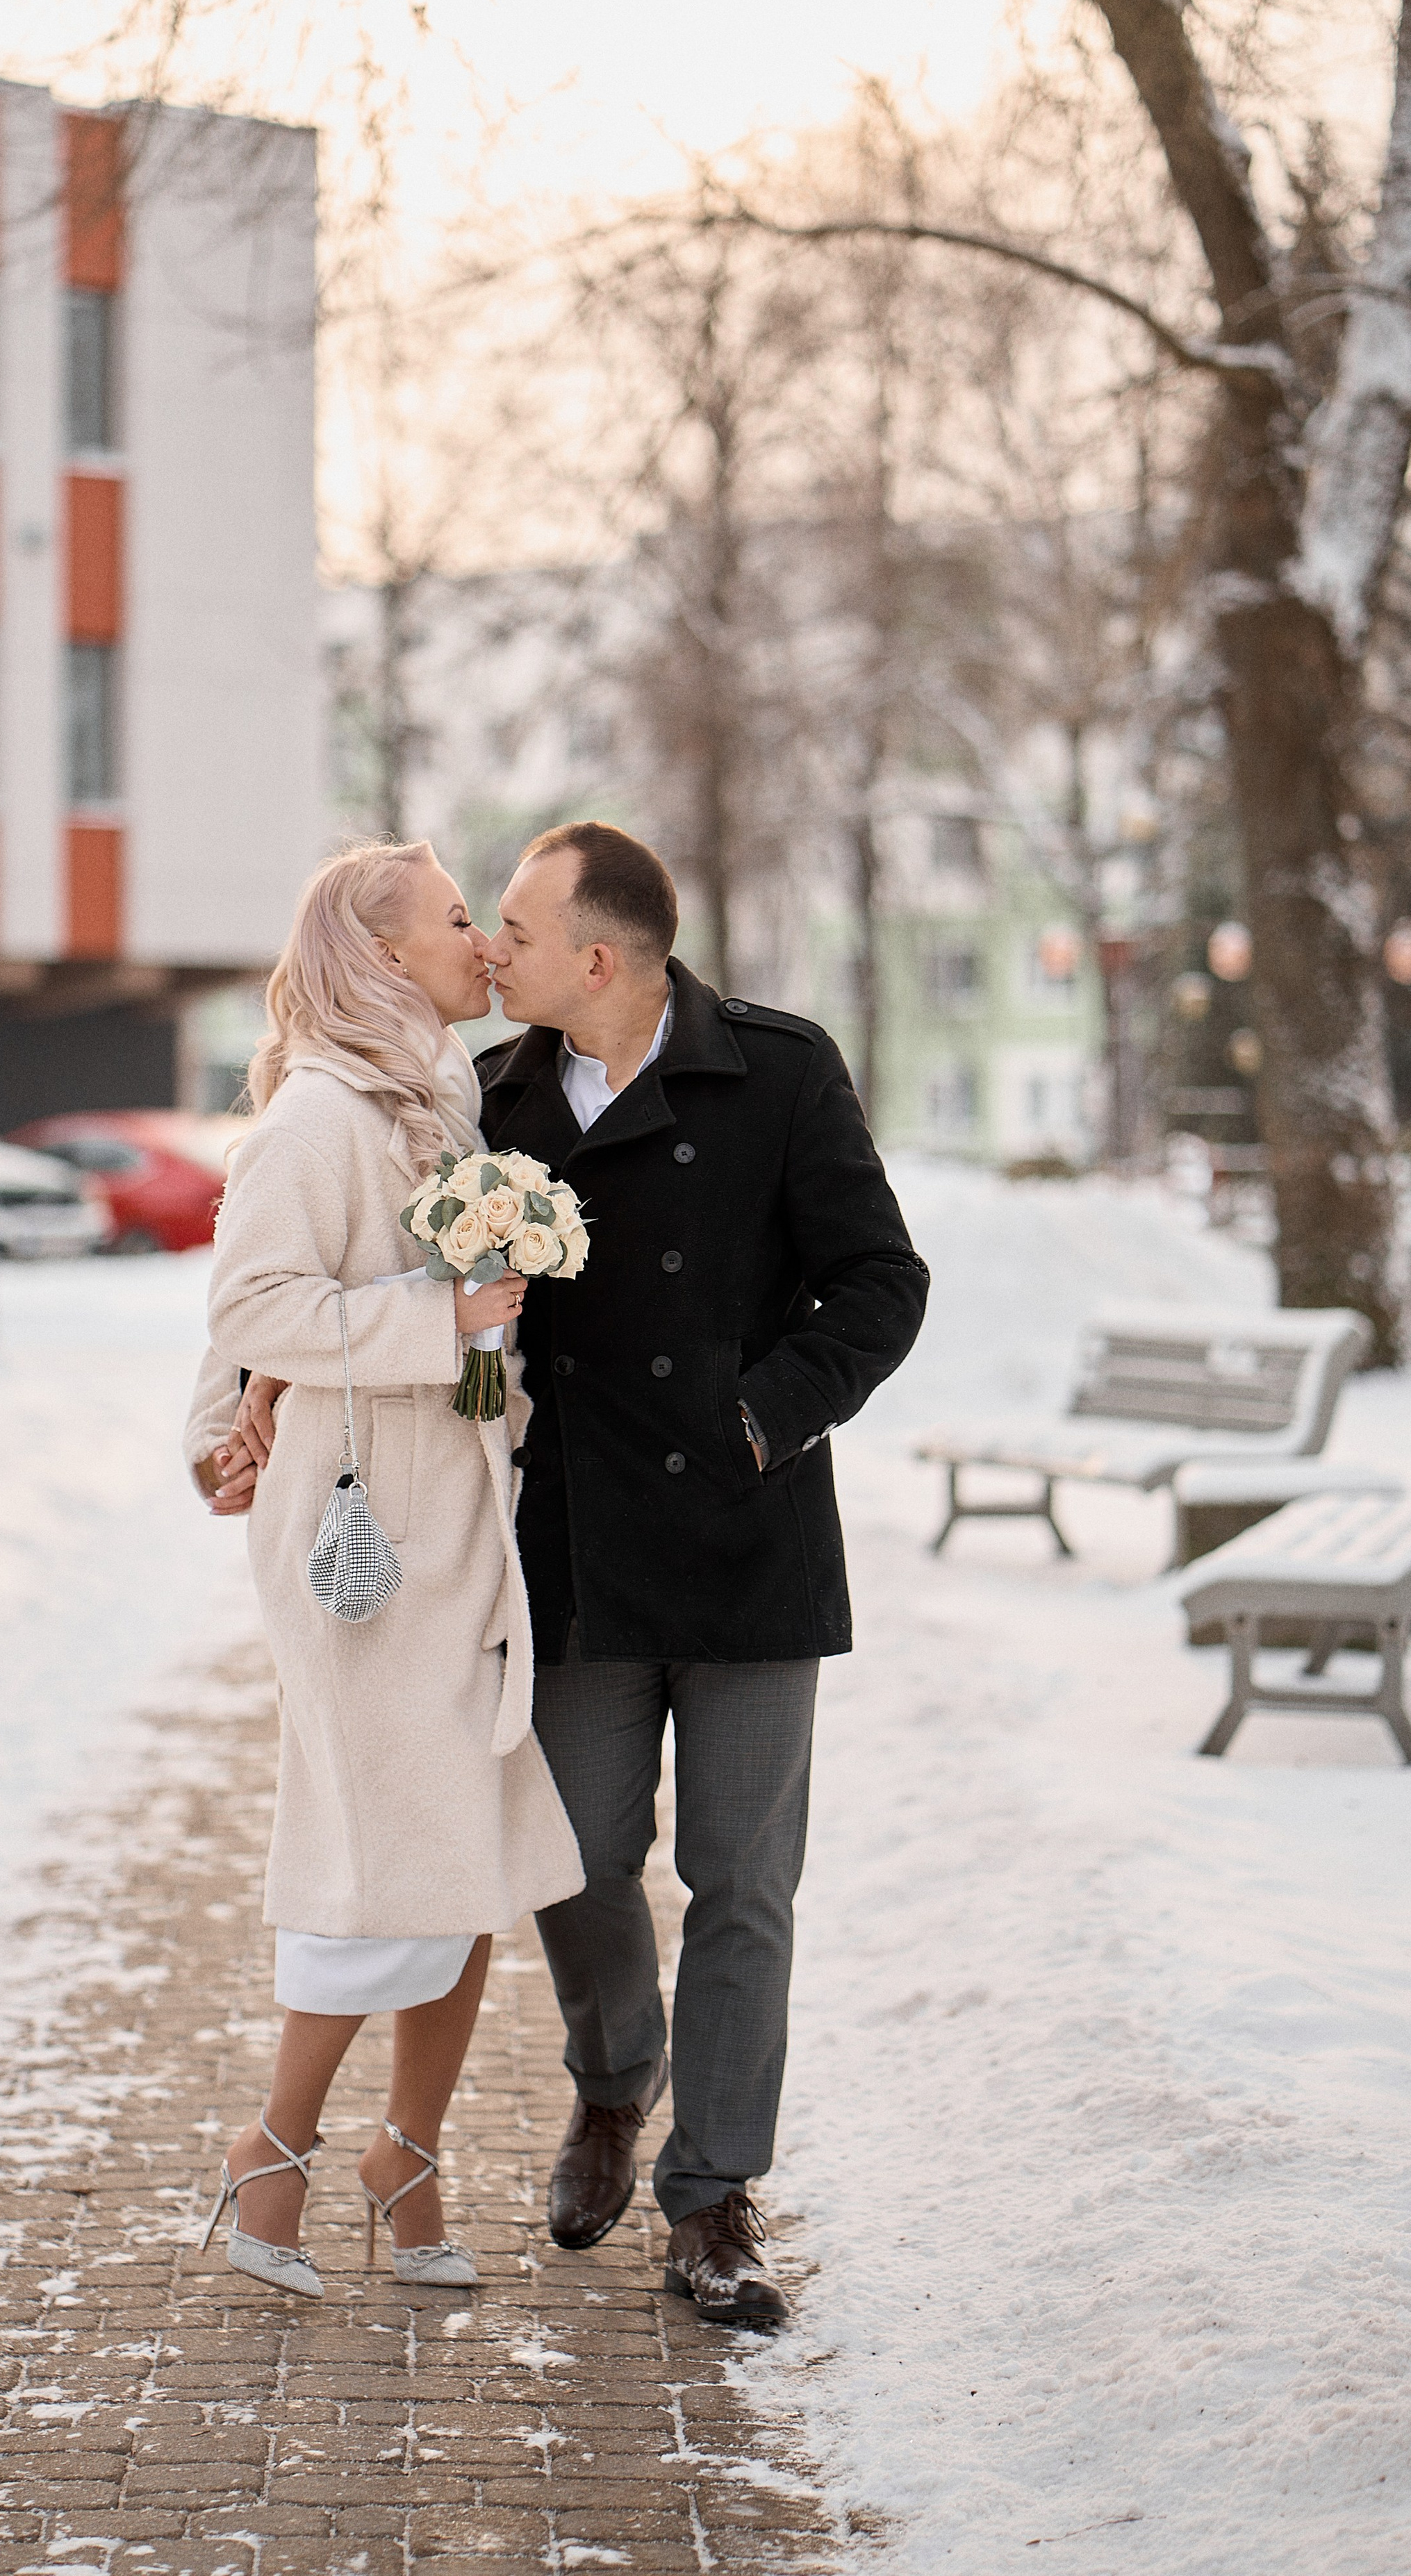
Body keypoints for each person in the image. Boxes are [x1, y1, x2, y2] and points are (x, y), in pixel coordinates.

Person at [475, 822, 929, 2327]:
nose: (494, 950)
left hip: (746, 1542)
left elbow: (881, 1281)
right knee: (578, 1855)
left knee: (741, 1881)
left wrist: (760, 1414)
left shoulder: (778, 1070)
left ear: (598, 958)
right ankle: (615, 2083)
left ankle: (715, 2194)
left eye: (517, 929)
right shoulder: (496, 1097)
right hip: (577, 1548)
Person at [183, 838, 582, 2300]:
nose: (483, 942)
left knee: (465, 1855)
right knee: (378, 1859)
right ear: (382, 954)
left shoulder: (441, 1098)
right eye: (458, 919)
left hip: (457, 1527)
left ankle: (406, 2162)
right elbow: (252, 1305)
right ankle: (273, 2154)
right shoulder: (318, 1114)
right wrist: (435, 1319)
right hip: (364, 1548)